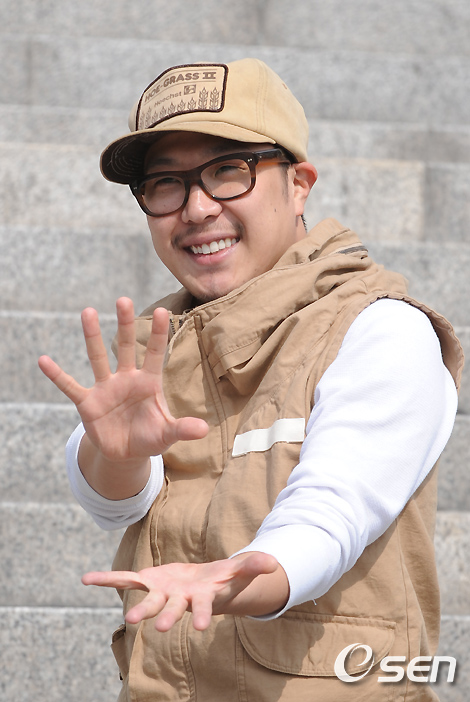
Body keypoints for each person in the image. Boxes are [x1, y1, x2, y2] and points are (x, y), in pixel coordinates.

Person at [38, 58, 464, 701]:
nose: (196, 208)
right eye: (164, 183)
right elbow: (115, 503)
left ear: (299, 184)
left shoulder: (381, 329)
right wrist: (114, 452)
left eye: (228, 170)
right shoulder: (159, 345)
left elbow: (333, 513)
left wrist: (242, 575)